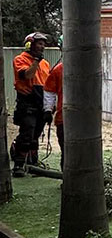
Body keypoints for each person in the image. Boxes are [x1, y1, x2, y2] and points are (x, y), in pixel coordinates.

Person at [10, 32, 51, 177]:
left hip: (41, 102)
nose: (42, 46)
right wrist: (35, 62)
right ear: (30, 44)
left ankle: (32, 161)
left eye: (43, 44)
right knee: (27, 132)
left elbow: (48, 86)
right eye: (39, 43)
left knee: (36, 134)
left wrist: (49, 107)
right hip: (27, 103)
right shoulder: (20, 59)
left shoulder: (45, 64)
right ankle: (18, 164)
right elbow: (27, 75)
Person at [44, 36, 63, 169]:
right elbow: (49, 92)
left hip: (85, 120)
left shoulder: (89, 69)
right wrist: (47, 110)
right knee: (66, 151)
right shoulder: (57, 71)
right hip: (63, 118)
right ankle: (68, 180)